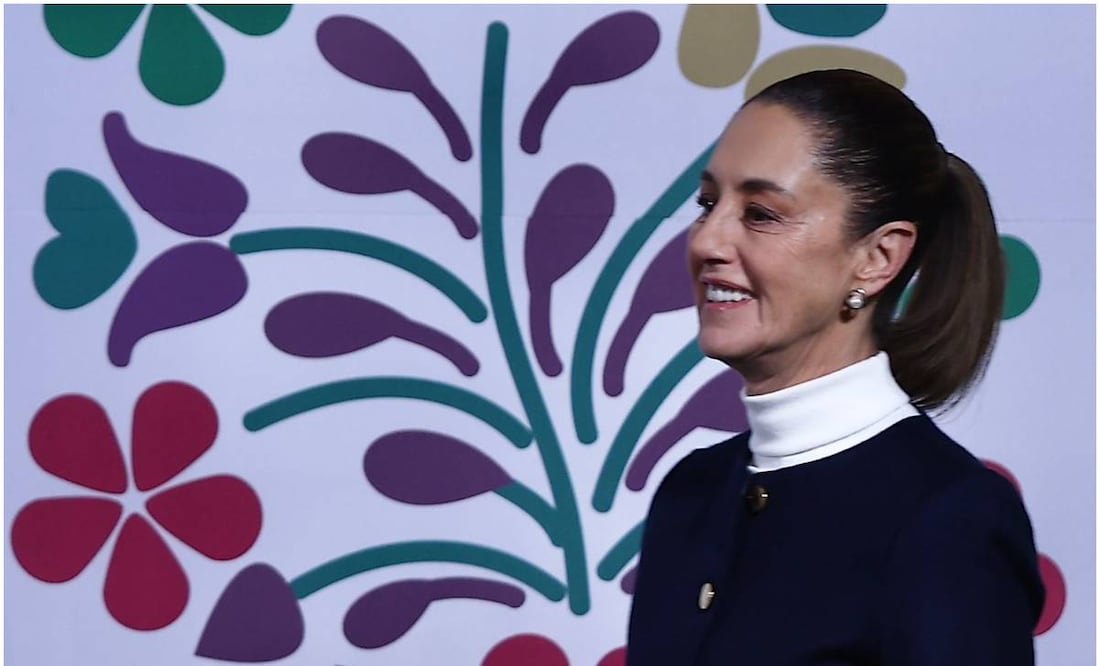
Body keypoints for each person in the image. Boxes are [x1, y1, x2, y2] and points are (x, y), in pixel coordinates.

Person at [626, 69, 1045, 666]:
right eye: (708, 204)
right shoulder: (688, 494)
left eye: (762, 213)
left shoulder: (950, 517)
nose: (706, 241)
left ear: (877, 258)